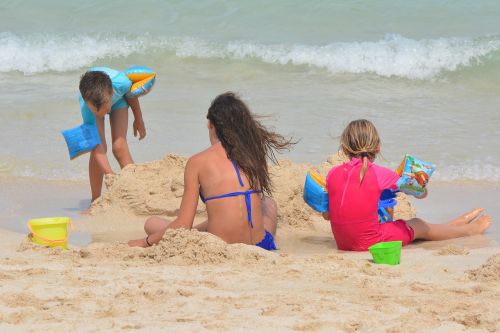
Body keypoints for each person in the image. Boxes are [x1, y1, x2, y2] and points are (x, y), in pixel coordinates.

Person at [128, 92, 293, 249]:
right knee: (268, 203)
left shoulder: (197, 162)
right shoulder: (252, 153)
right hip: (260, 245)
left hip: (219, 246)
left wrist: (145, 242)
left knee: (151, 223)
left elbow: (183, 225)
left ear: (210, 124)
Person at [322, 119, 491, 251]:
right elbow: (420, 194)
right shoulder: (380, 174)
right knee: (417, 225)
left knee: (391, 222)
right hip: (369, 243)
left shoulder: (332, 174)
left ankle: (453, 225)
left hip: (342, 243)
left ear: (344, 148)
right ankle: (469, 230)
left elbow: (328, 215)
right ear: (378, 147)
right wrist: (419, 184)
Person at [79, 67, 146, 203]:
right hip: (95, 104)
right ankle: (95, 199)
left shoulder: (122, 83)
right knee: (98, 147)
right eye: (98, 112)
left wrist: (138, 119)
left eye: (104, 110)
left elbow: (131, 96)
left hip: (119, 100)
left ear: (111, 94)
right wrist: (109, 174)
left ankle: (136, 192)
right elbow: (97, 146)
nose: (102, 114)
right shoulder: (88, 109)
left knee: (119, 146)